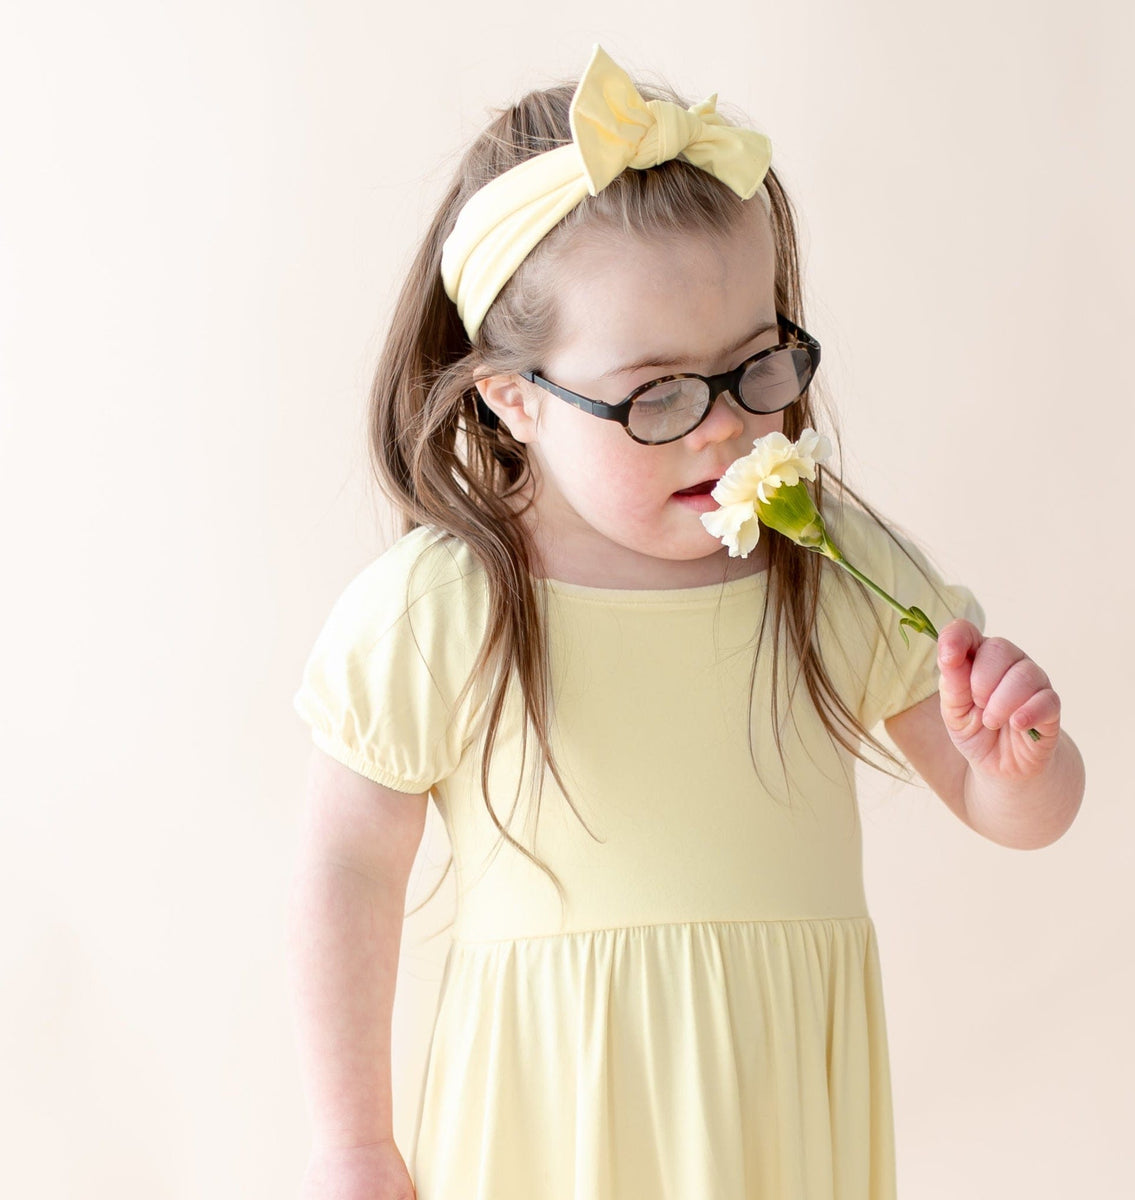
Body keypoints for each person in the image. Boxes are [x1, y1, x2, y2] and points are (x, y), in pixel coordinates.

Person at [286, 43, 1085, 1200]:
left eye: (756, 369)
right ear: (513, 399)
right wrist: (352, 1143)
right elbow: (348, 867)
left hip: (777, 1135)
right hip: (549, 1137)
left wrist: (1020, 761)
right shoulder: (451, 606)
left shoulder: (827, 563)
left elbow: (1007, 808)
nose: (722, 428)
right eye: (657, 393)